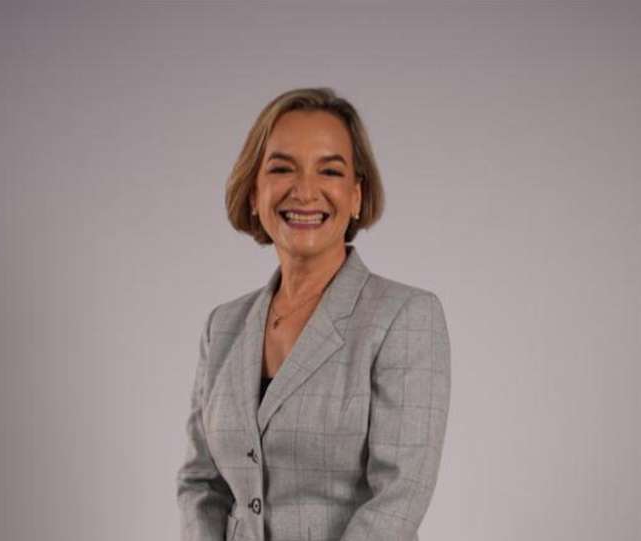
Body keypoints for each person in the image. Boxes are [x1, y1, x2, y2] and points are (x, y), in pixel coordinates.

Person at [176, 87, 451, 541]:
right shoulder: (222, 326)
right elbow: (200, 484)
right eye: (282, 168)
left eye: (330, 170)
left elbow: (399, 497)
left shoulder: (405, 317)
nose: (305, 191)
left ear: (356, 195)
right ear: (254, 193)